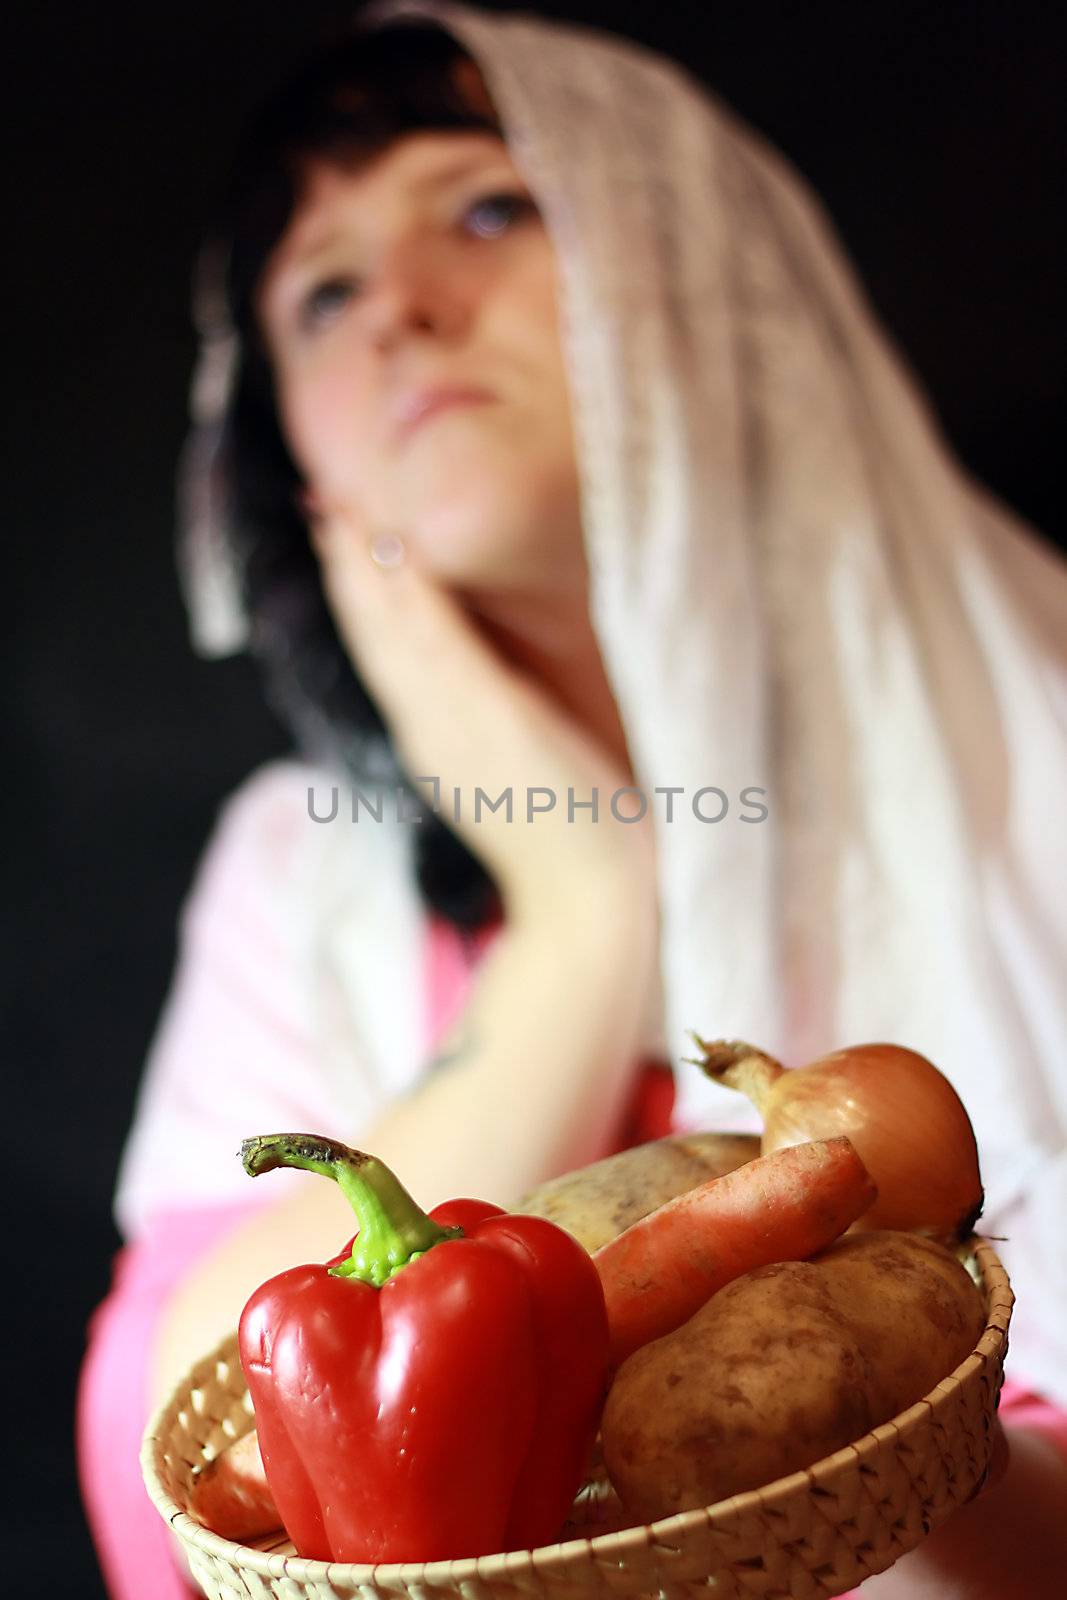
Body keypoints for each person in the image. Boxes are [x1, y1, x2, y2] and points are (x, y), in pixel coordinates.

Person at [78, 3, 1067, 1596]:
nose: (399, 305)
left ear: (707, 283)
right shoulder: (295, 873)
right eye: (321, 290)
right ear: (300, 475)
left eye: (487, 206)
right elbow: (179, 1511)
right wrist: (581, 906)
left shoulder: (1045, 772)